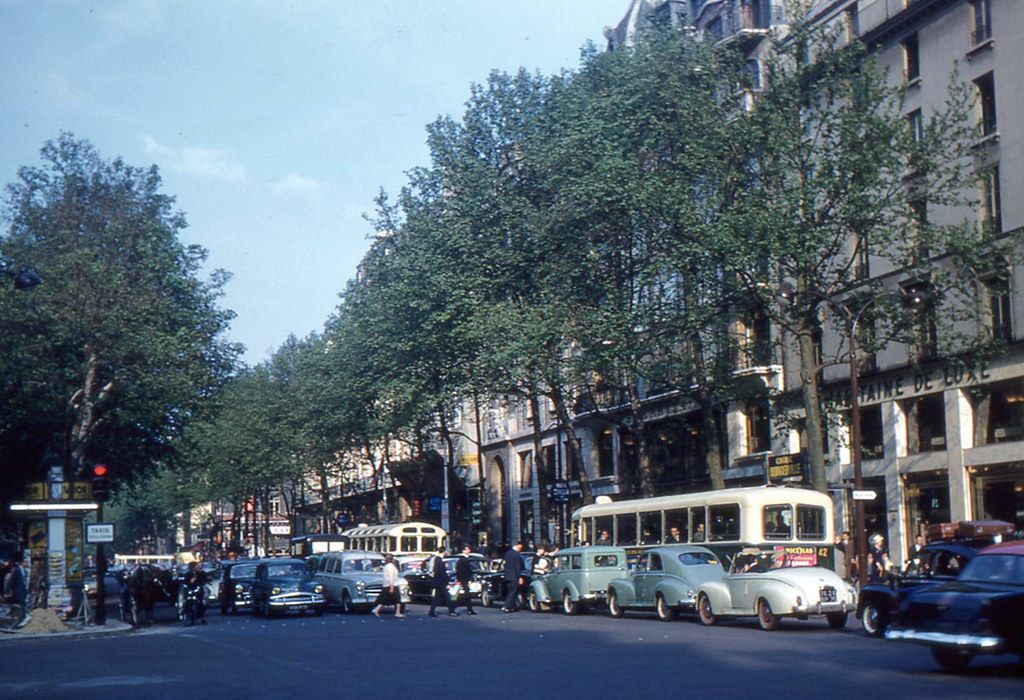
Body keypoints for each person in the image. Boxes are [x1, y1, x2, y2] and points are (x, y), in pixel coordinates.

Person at [427, 546, 458, 617]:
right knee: (447, 597)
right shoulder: (439, 560)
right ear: (443, 552)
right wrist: (447, 580)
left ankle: (431, 611)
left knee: (436, 598)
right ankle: (451, 611)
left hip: (438, 582)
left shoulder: (437, 560)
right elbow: (441, 572)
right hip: (441, 582)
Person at [372, 553, 405, 618]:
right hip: (391, 584)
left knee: (386, 599)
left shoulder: (386, 566)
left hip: (387, 585)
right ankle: (397, 612)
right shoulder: (390, 566)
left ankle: (377, 609)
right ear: (392, 559)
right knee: (397, 599)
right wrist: (391, 587)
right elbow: (391, 576)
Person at [3, 556, 29, 623]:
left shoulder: (24, 571)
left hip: (22, 592)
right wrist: (7, 592)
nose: (27, 564)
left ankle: (20, 618)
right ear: (22, 562)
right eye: (26, 562)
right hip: (17, 592)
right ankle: (21, 618)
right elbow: (11, 581)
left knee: (21, 605)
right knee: (20, 605)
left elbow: (24, 582)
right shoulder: (16, 570)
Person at [501, 541, 524, 613]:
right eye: (520, 547)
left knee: (511, 591)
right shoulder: (517, 555)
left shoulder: (507, 554)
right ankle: (506, 606)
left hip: (507, 576)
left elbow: (504, 565)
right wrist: (519, 577)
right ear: (517, 546)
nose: (520, 549)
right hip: (514, 576)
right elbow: (517, 567)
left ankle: (513, 606)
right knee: (513, 592)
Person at [454, 545, 477, 615]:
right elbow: (464, 571)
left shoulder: (461, 560)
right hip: (464, 580)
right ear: (463, 551)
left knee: (464, 595)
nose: (469, 551)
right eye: (467, 549)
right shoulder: (463, 560)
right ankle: (453, 607)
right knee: (465, 595)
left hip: (462, 580)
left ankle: (469, 609)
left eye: (469, 549)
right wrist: (468, 579)